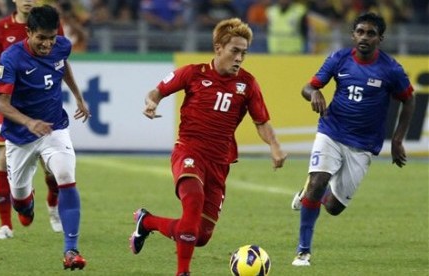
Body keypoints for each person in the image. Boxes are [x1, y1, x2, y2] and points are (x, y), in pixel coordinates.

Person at [129, 17, 287, 276]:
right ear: (218, 48)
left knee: (199, 235)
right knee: (193, 200)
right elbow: (156, 91)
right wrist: (151, 103)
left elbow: (261, 121)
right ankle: (183, 272)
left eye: (244, 53)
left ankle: (146, 222)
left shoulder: (247, 84)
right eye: (235, 51)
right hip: (189, 152)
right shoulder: (193, 73)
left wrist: (275, 146)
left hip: (219, 162)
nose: (239, 58)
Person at [290, 12, 415, 266]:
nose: (364, 37)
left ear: (381, 38)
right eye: (360, 32)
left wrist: (398, 140)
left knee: (334, 207)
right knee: (318, 181)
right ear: (353, 34)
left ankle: (309, 194)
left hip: (363, 145)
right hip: (331, 131)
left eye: (370, 33)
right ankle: (303, 251)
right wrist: (313, 93)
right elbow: (308, 86)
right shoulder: (339, 59)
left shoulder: (391, 69)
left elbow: (409, 100)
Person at [0, 5, 89, 269]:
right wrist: (28, 122)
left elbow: (62, 65)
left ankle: (71, 251)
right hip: (20, 136)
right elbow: (2, 104)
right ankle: (26, 203)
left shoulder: (61, 45)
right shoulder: (11, 58)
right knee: (21, 202)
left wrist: (79, 97)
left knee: (66, 178)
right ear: (28, 32)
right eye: (41, 38)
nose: (47, 44)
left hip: (53, 128)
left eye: (51, 37)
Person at [0, 0, 67, 240]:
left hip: (43, 107)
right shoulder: (2, 27)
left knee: (52, 171)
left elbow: (61, 61)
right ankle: (5, 225)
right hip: (12, 105)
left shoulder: (50, 24)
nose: (29, 0)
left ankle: (53, 207)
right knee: (3, 160)